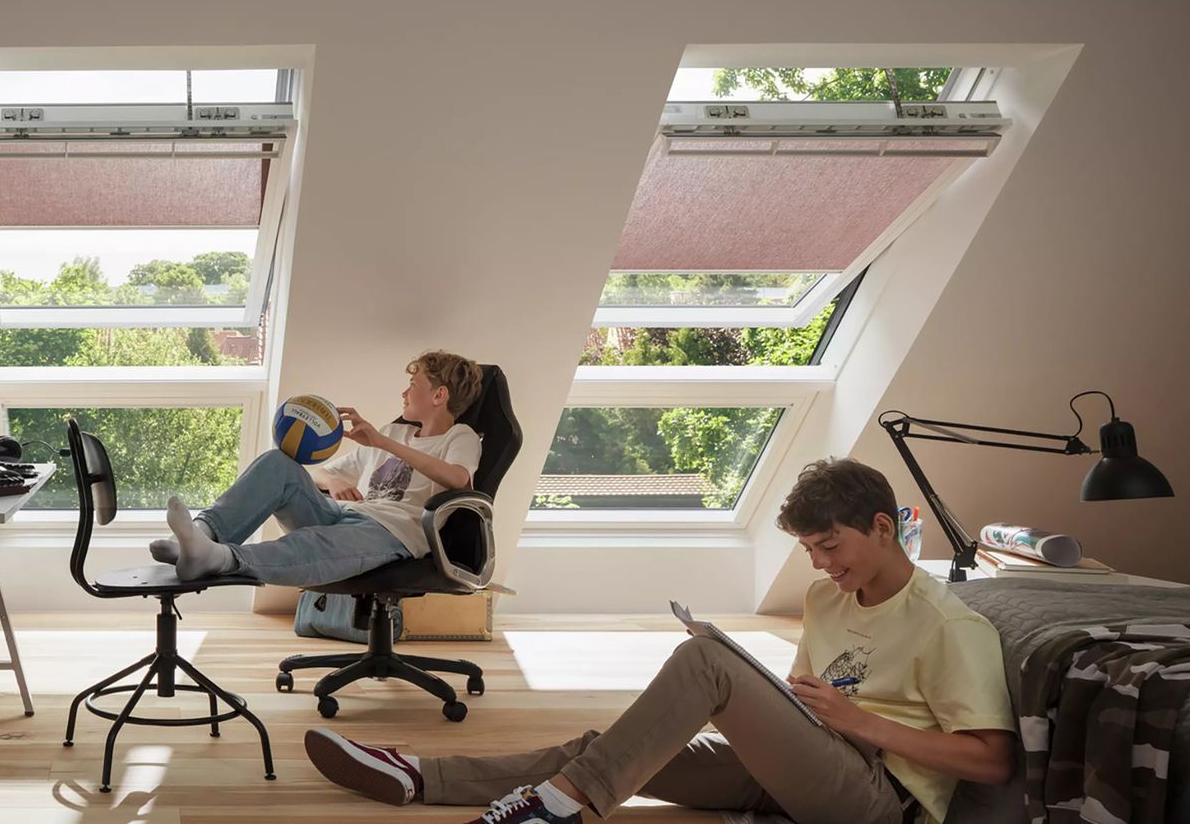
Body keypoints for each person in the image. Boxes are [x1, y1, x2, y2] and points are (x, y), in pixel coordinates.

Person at [305, 458, 1017, 824]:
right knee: (608, 749)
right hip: (814, 764)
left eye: (830, 545)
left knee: (704, 661)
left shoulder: (950, 625)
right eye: (809, 549)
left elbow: (992, 760)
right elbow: (813, 705)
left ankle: (560, 808)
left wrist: (861, 723)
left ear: (883, 528)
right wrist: (792, 709)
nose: (822, 564)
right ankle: (421, 776)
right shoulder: (825, 597)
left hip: (877, 800)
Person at [152, 350, 484, 587]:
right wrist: (336, 481)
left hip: (393, 534)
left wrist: (382, 443)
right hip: (344, 513)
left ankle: (218, 558)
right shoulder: (396, 432)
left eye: (414, 384)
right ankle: (197, 537)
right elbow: (316, 474)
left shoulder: (460, 436)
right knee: (277, 463)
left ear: (439, 395)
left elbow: (458, 479)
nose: (404, 392)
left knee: (313, 543)